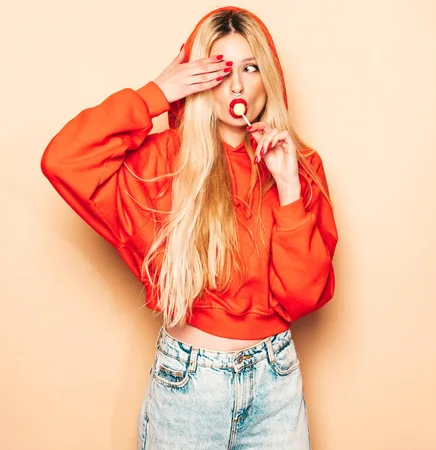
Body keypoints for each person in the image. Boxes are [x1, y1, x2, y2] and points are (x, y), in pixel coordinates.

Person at [40, 5, 337, 449]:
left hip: (277, 384)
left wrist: (290, 187)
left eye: (250, 68)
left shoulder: (299, 166)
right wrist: (156, 93)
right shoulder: (163, 164)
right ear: (199, 79)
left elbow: (304, 297)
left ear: (268, 78)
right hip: (190, 388)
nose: (237, 84)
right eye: (220, 70)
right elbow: (63, 159)